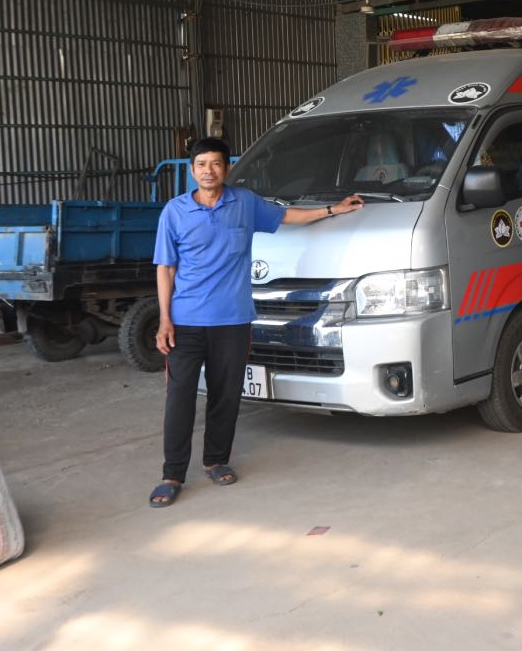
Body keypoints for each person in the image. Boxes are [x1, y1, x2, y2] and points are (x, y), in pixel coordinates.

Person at [148, 137, 363, 508]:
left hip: (232, 320)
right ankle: (172, 474)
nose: (208, 171)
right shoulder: (175, 212)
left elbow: (287, 216)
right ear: (192, 170)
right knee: (179, 398)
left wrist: (333, 209)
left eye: (215, 164)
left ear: (225, 169)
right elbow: (164, 268)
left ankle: (216, 460)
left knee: (226, 395)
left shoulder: (243, 203)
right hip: (186, 322)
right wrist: (165, 319)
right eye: (201, 164)